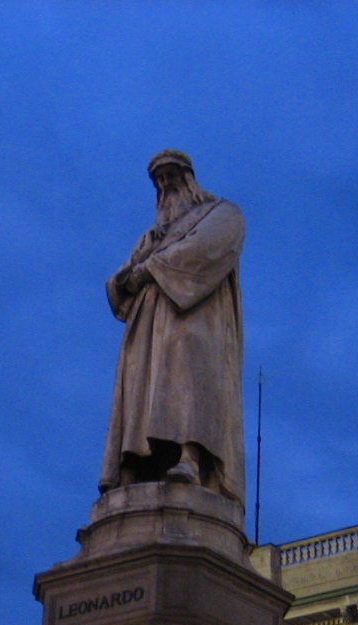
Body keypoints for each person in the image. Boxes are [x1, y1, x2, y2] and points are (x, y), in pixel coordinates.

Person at [100, 150, 245, 502]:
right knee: (140, 385)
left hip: (197, 313)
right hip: (147, 324)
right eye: (159, 181)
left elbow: (204, 249)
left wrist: (149, 269)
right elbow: (121, 280)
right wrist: (127, 276)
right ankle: (134, 463)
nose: (165, 185)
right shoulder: (151, 236)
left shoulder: (222, 213)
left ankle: (190, 457)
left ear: (188, 178)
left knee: (189, 374)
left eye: (171, 176)